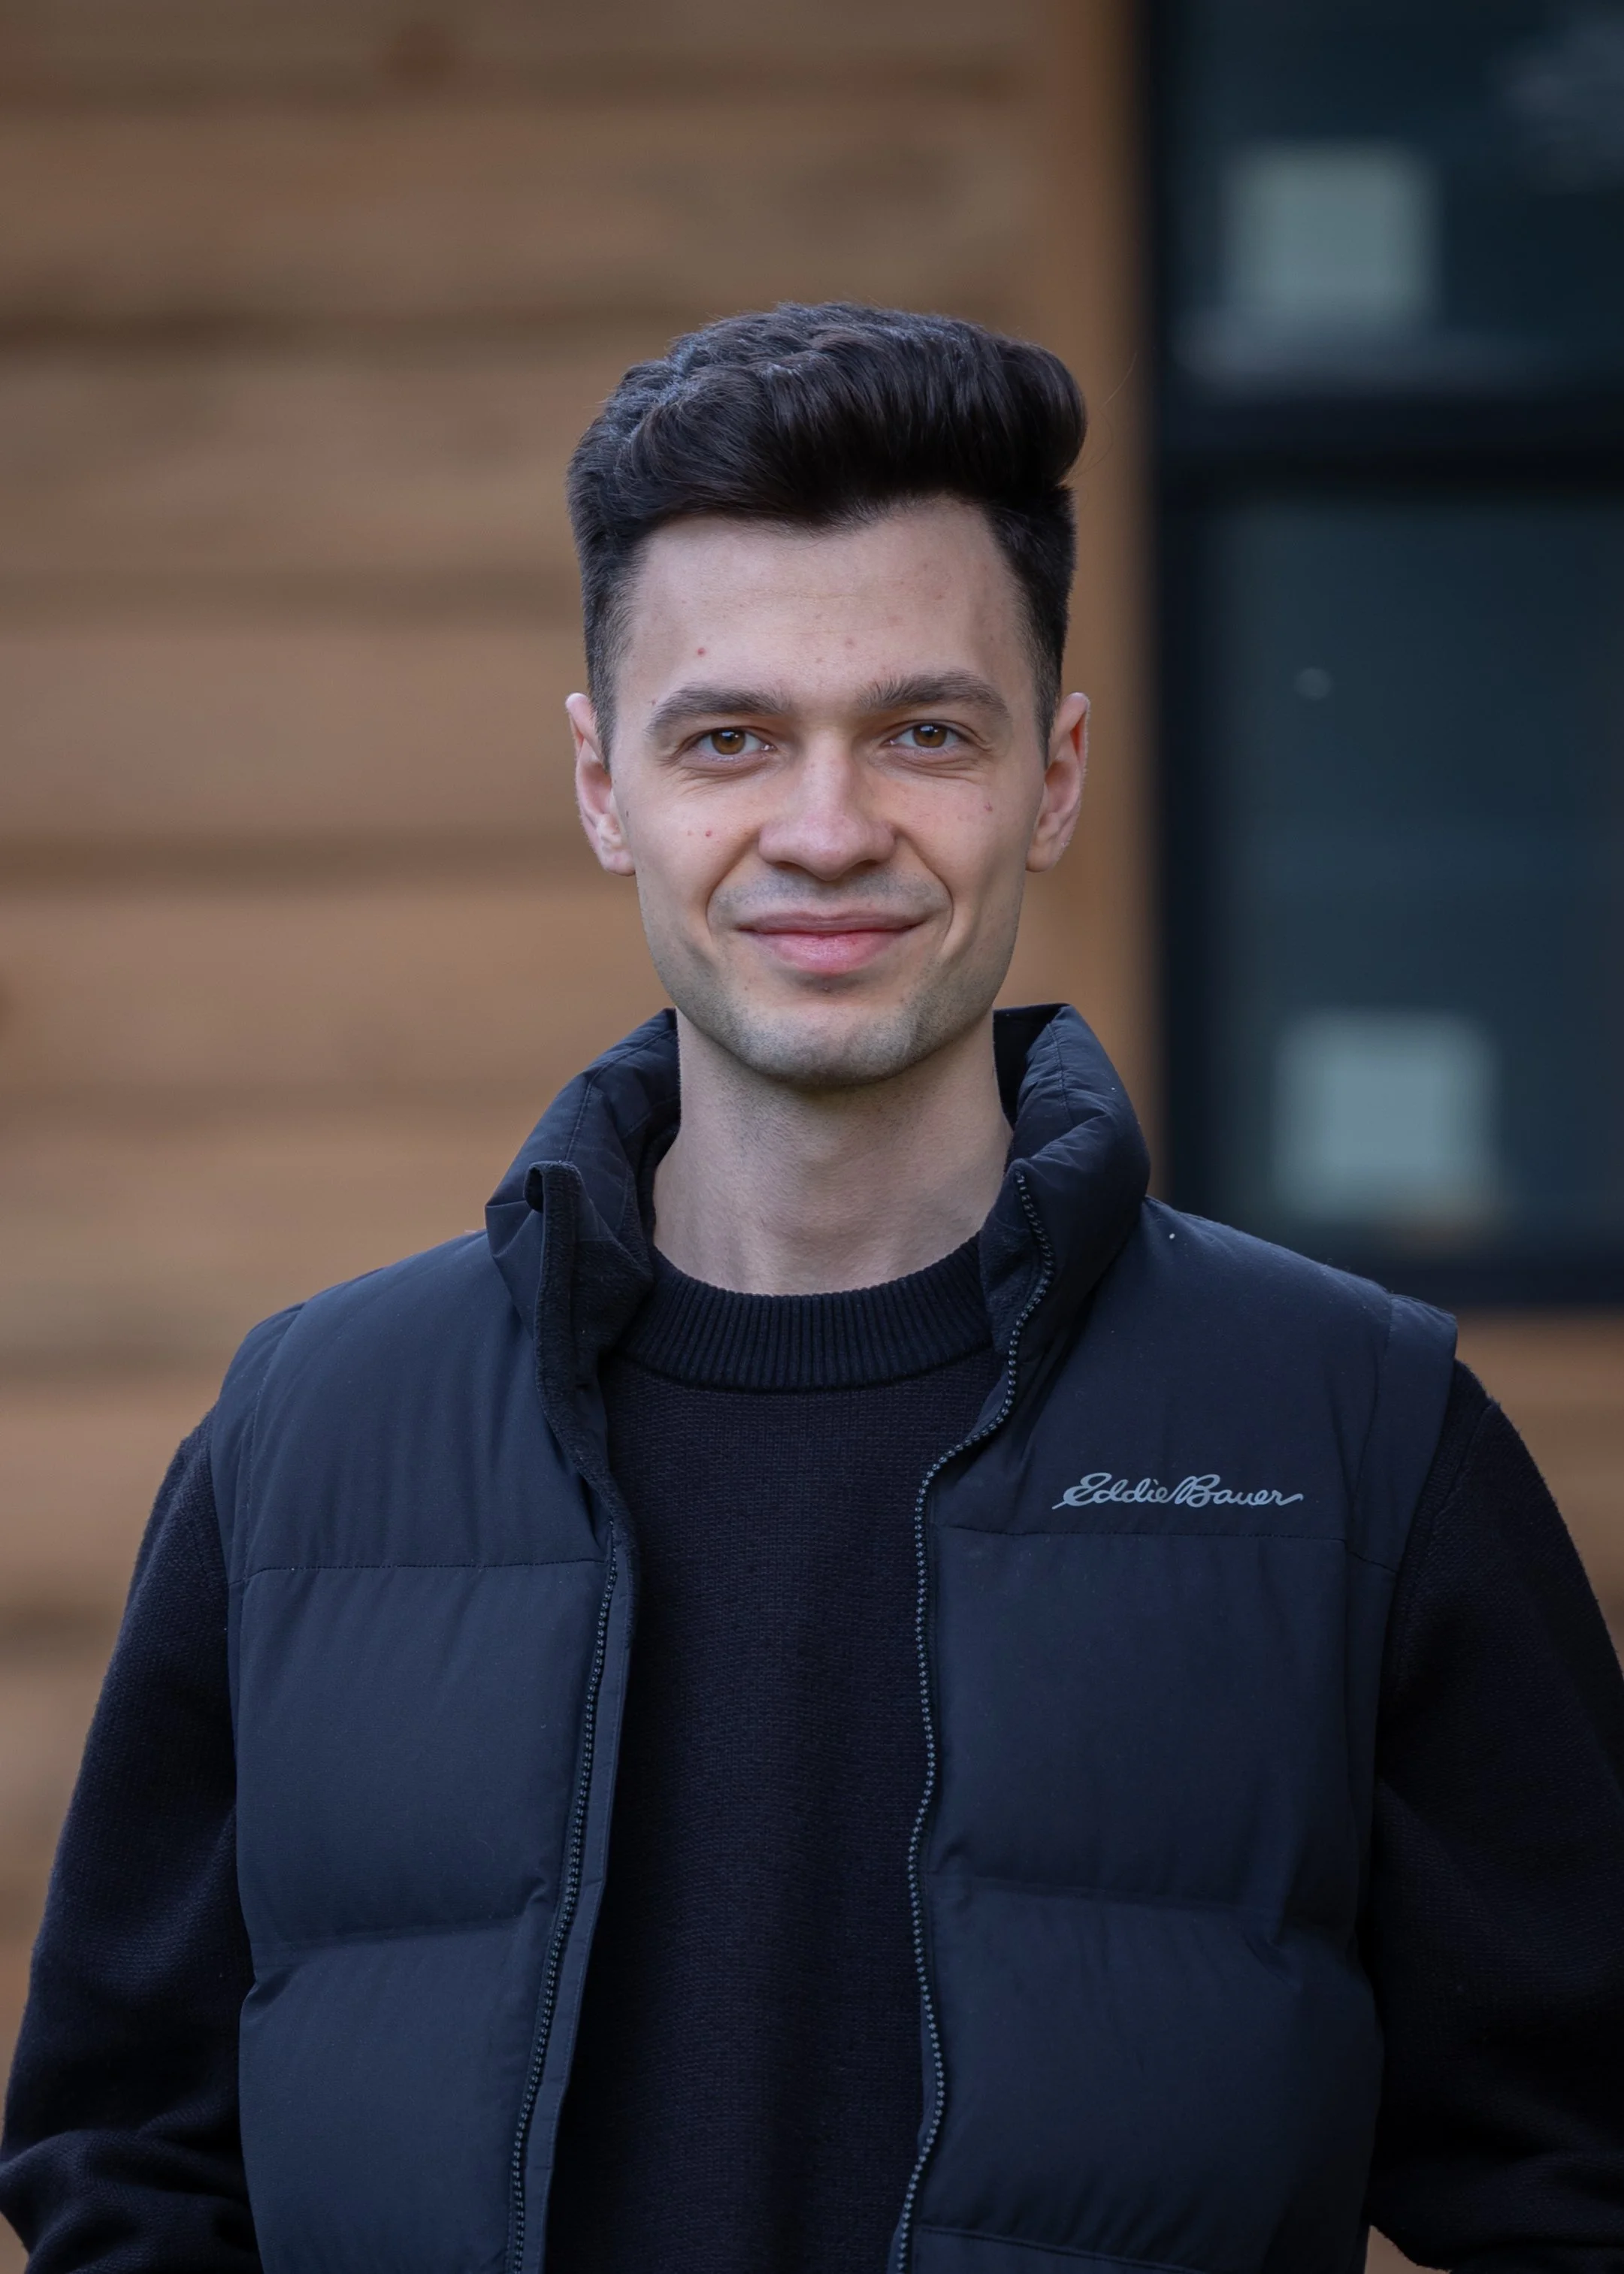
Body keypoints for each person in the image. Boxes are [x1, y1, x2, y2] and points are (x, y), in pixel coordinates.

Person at [3, 304, 1622, 2274]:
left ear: (1054, 775)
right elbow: (124, 2165)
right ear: (605, 784)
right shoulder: (308, 1450)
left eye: (926, 732)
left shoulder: (1350, 1441)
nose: (830, 831)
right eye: (731, 739)